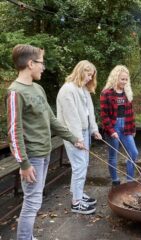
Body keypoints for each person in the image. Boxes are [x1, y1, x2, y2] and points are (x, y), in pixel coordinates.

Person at [6, 44, 84, 240]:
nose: (44, 67)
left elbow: (52, 120)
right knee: (32, 201)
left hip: (44, 152)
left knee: (35, 199)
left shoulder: (38, 88)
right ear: (30, 63)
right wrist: (24, 163)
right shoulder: (15, 92)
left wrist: (73, 139)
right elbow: (13, 132)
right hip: (31, 158)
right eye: (41, 62)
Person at [56, 60, 102, 215]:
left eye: (92, 75)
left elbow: (89, 111)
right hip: (73, 134)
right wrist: (77, 139)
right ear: (81, 71)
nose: (90, 78)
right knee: (79, 166)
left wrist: (94, 129)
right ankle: (76, 203)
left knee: (84, 164)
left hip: (84, 131)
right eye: (88, 74)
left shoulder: (83, 88)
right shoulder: (68, 89)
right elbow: (71, 117)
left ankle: (78, 193)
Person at [100, 65, 138, 186]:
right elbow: (104, 115)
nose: (125, 82)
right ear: (115, 78)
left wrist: (133, 129)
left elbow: (131, 113)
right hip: (113, 126)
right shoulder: (106, 93)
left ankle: (129, 180)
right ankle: (115, 180)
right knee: (113, 155)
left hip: (126, 126)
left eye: (126, 79)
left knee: (134, 152)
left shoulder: (127, 92)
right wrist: (111, 131)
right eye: (122, 79)